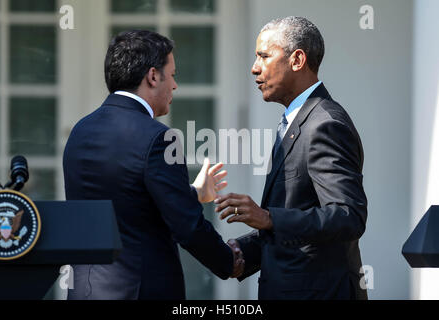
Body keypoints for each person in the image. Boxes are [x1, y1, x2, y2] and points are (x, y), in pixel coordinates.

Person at [63, 30, 243, 300]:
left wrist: (192, 192)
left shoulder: (79, 132)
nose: (175, 85)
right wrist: (229, 261)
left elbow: (128, 203)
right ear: (153, 76)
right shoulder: (159, 138)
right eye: (172, 74)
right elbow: (187, 227)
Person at [215, 16, 368, 300]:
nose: (254, 68)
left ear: (297, 60)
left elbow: (348, 217)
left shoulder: (325, 124)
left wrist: (267, 217)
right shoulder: (297, 122)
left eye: (264, 56)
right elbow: (301, 213)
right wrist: (245, 251)